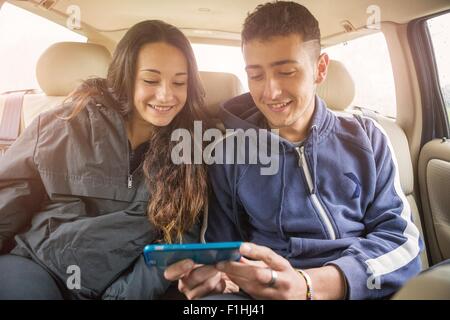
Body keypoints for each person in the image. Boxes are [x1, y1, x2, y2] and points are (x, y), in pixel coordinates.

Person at [164, 1, 423, 300]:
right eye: (256, 75)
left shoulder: (368, 137)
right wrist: (216, 275)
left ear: (320, 69)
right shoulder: (226, 154)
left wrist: (311, 284)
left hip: (360, 286)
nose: (270, 92)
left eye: (286, 71)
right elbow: (220, 246)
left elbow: (402, 242)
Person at [0, 20, 210, 300]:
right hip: (36, 266)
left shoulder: (191, 149)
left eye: (179, 82)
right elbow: (9, 200)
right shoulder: (62, 123)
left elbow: (176, 244)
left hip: (118, 286)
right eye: (150, 80)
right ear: (126, 76)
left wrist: (121, 297)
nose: (165, 95)